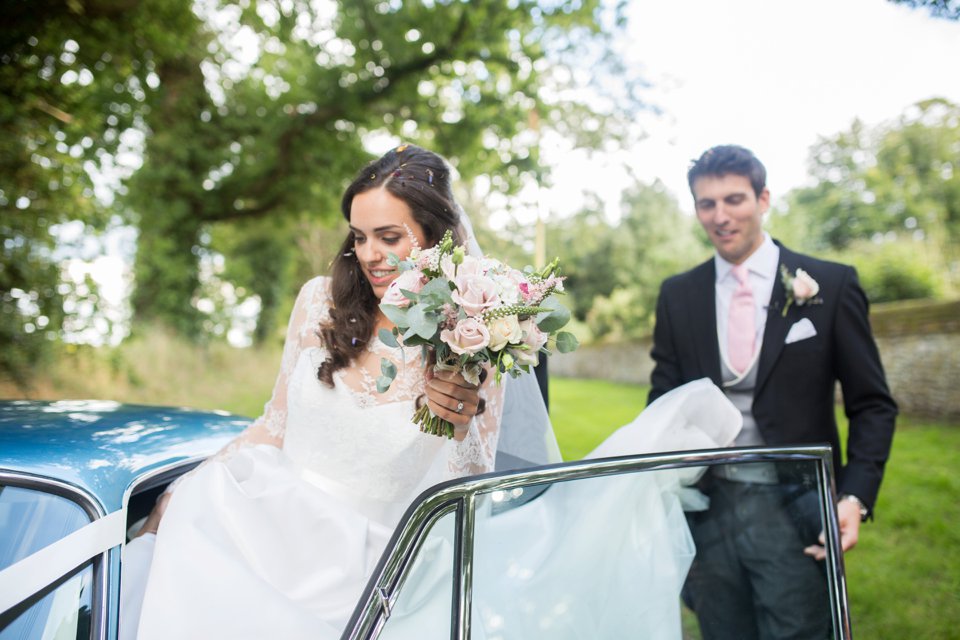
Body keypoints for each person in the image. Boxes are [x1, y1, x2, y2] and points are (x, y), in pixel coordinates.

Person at [648, 144, 897, 639]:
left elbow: (873, 405)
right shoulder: (679, 294)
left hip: (798, 503)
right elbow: (663, 400)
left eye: (734, 199)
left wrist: (854, 498)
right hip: (707, 505)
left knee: (801, 630)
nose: (720, 216)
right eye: (706, 203)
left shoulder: (830, 283)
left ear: (763, 199)